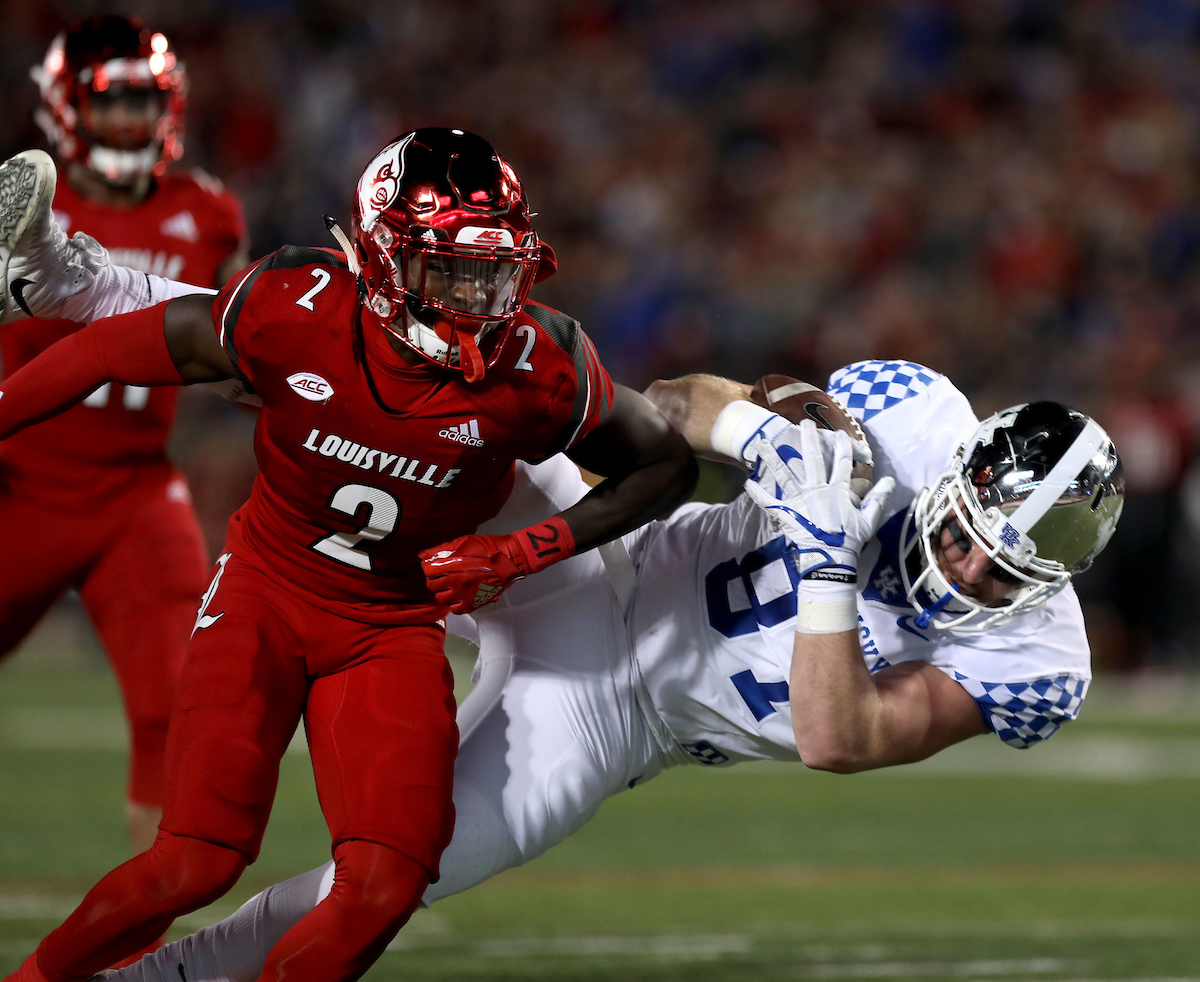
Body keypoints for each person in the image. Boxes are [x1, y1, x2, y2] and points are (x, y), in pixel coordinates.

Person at [78, 359, 1124, 982]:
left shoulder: (1040, 661)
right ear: (955, 478)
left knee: (391, 880)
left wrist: (825, 557)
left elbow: (838, 737)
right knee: (459, 390)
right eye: (969, 536)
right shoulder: (915, 415)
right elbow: (670, 403)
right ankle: (136, 306)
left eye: (1005, 572)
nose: (970, 571)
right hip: (603, 556)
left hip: (617, 718)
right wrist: (767, 428)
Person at [0, 127, 697, 982]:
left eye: (492, 270)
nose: (477, 296)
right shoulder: (297, 306)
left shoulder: (536, 360)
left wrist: (522, 551)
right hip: (265, 592)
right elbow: (111, 348)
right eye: (449, 269)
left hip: (390, 626)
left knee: (385, 883)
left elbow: (664, 465)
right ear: (382, 257)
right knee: (194, 861)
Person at [0, 14, 248, 856]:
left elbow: (239, 347)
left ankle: (150, 912)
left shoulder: (208, 211)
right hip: (19, 485)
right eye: (110, 101)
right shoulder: (24, 202)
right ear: (66, 107)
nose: (129, 120)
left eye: (144, 101)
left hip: (136, 492)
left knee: (176, 706)